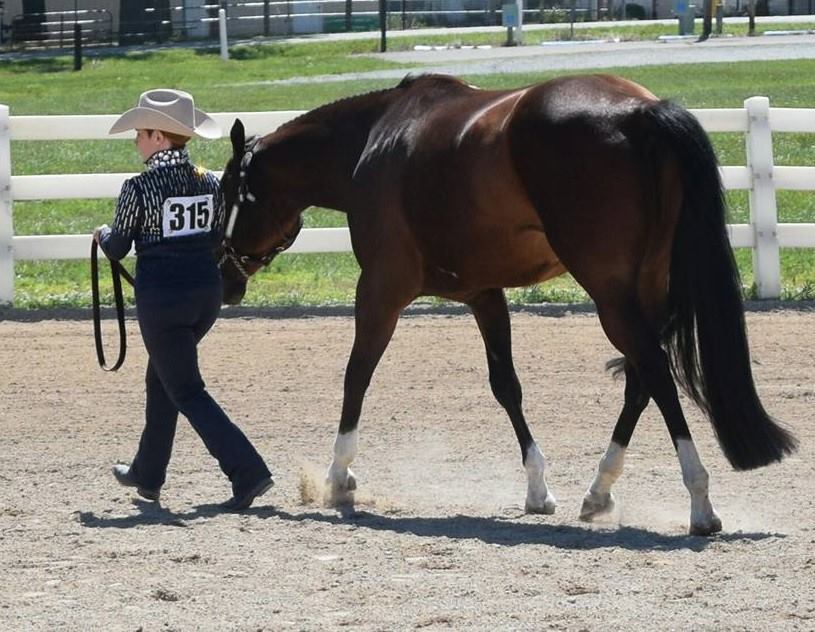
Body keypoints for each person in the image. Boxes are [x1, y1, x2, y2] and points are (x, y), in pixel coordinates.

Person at [94, 89, 273, 511]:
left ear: (159, 137)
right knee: (163, 380)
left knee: (187, 390)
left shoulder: (138, 187)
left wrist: (101, 235)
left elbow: (118, 247)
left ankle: (248, 472)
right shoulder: (210, 182)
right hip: (204, 296)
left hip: (163, 300)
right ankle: (147, 473)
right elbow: (214, 237)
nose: (137, 140)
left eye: (141, 133)